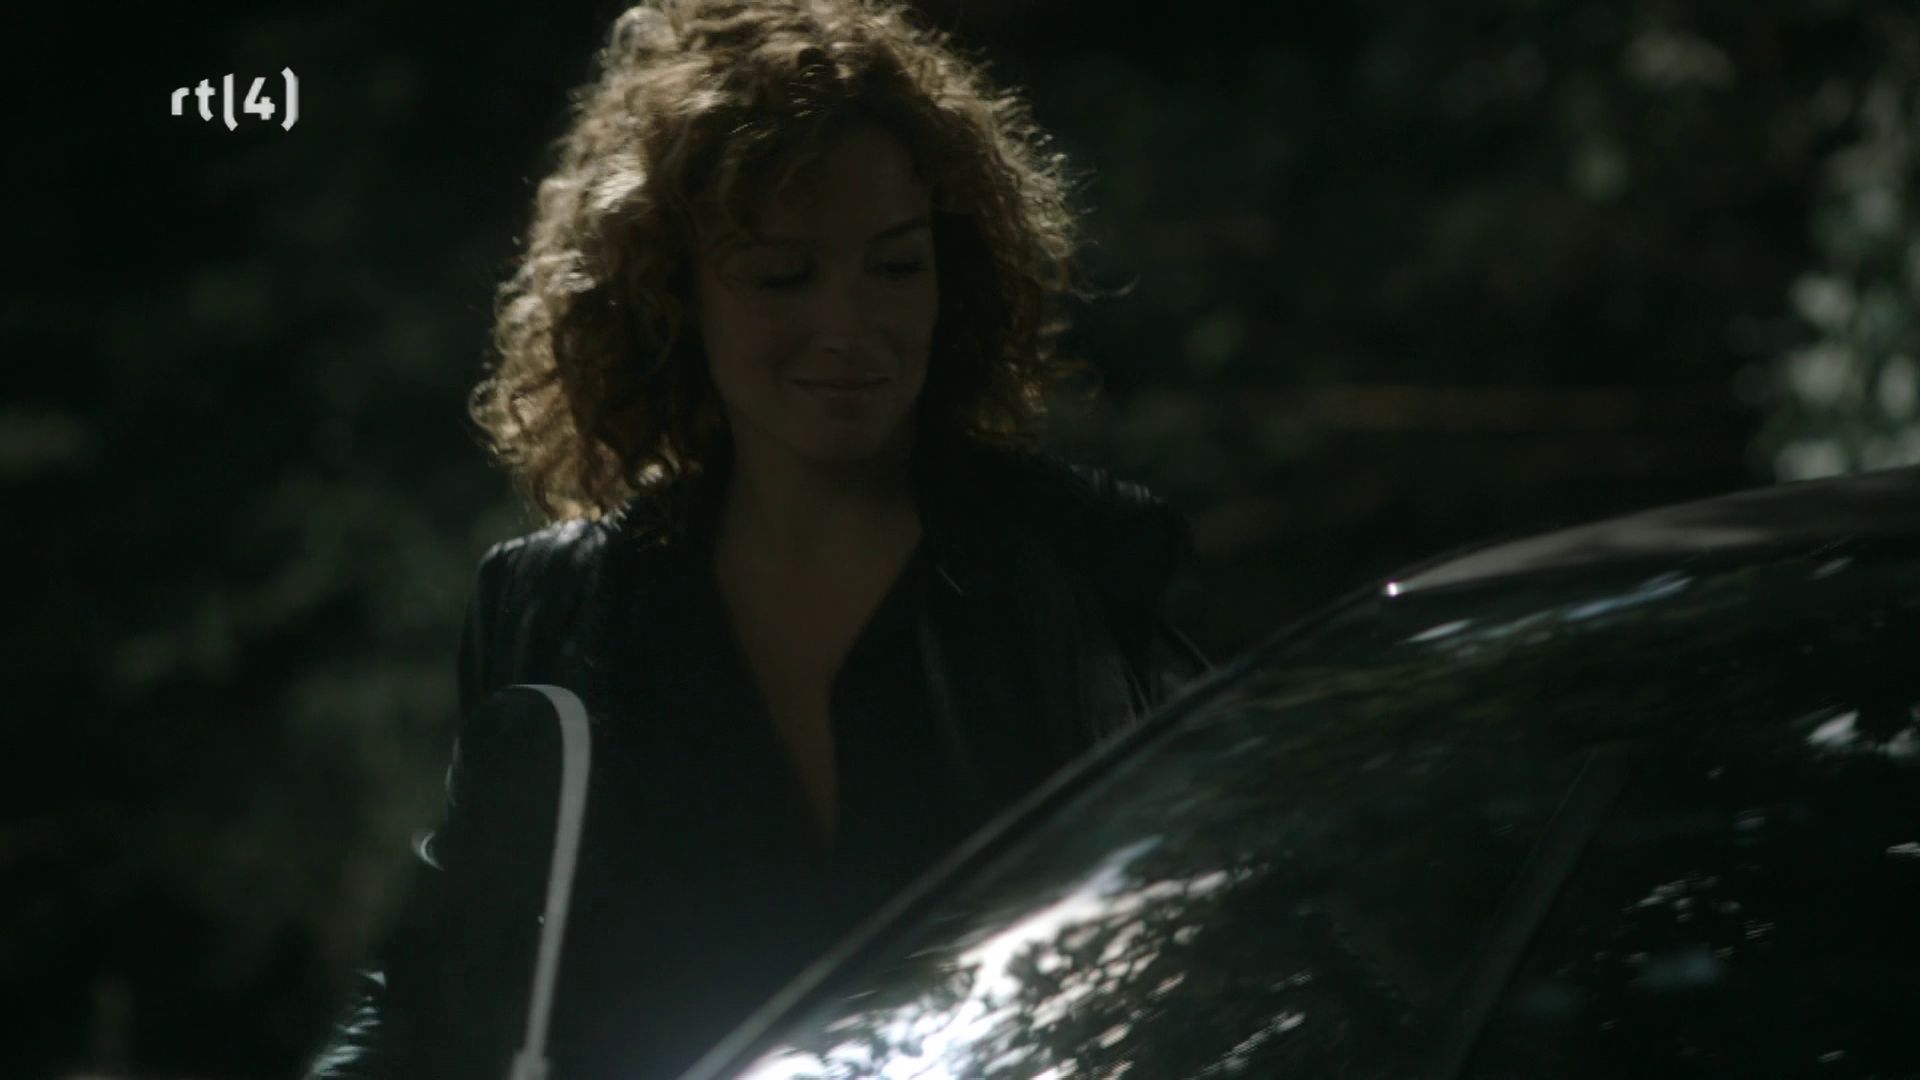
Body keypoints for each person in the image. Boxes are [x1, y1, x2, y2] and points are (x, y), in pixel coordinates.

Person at [307, 0, 1209, 1075]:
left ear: (955, 267)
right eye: (784, 276)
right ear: (672, 292)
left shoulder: (1089, 562)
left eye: (896, 266)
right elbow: (433, 998)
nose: (850, 327)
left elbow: (1210, 920)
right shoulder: (550, 608)